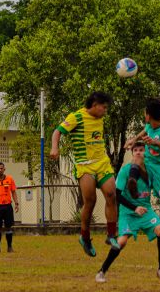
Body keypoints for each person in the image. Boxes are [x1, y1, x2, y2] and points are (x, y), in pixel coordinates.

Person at [51, 91, 119, 257]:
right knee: (90, 201)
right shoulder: (76, 117)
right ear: (94, 105)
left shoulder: (100, 118)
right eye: (103, 107)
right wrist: (54, 147)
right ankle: (85, 237)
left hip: (102, 163)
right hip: (85, 165)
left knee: (111, 194)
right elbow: (57, 131)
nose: (105, 111)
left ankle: (111, 235)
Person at [95, 143, 160, 283]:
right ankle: (101, 271)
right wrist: (134, 208)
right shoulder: (125, 171)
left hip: (146, 211)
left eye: (141, 150)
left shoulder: (150, 171)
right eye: (135, 150)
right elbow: (117, 195)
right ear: (132, 153)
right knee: (121, 242)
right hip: (128, 212)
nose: (138, 153)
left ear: (146, 153)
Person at [124, 98, 160, 275]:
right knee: (138, 157)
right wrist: (134, 139)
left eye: (145, 113)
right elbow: (144, 132)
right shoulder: (149, 126)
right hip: (150, 165)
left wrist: (155, 142)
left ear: (148, 115)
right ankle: (132, 182)